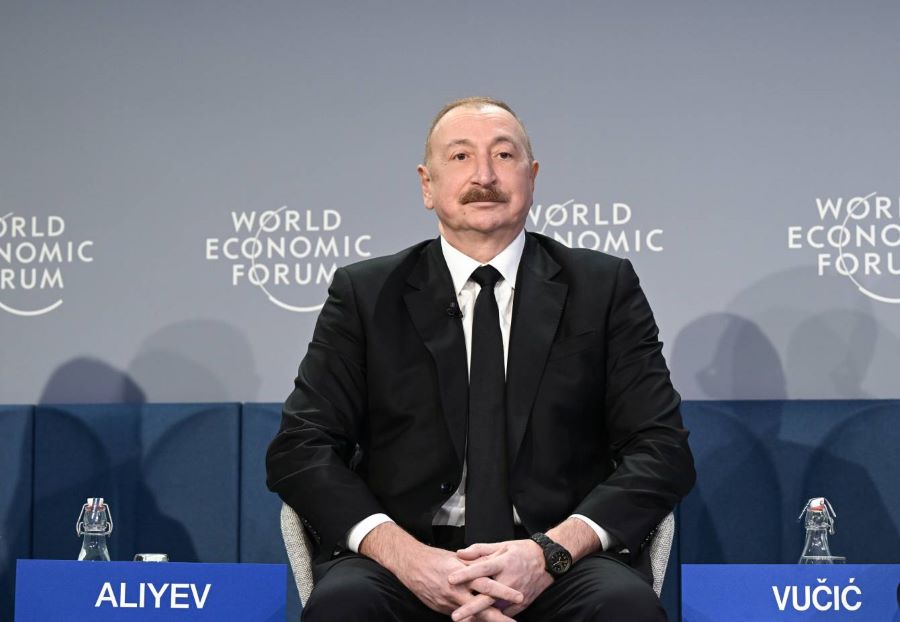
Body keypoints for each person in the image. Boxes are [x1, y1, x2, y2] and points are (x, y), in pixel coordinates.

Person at [266, 96, 695, 621]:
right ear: (427, 184)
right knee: (345, 607)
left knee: (624, 608)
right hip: (406, 559)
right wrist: (406, 557)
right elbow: (301, 448)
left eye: (504, 155)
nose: (484, 175)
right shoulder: (367, 294)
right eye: (461, 156)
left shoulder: (602, 288)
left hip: (558, 559)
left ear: (532, 177)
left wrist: (549, 553)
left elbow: (661, 449)